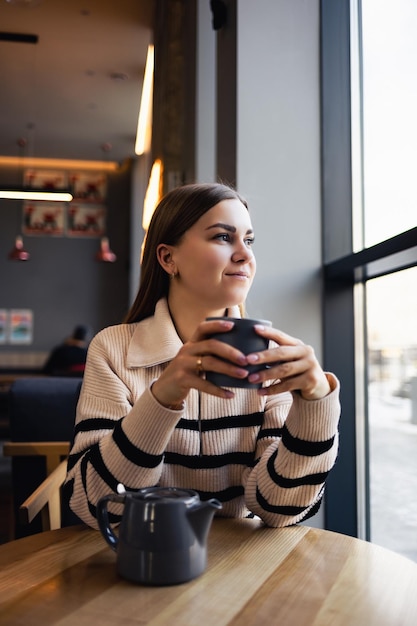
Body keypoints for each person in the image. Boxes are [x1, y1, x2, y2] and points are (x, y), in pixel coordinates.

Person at [65, 183, 340, 529]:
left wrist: (315, 404)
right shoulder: (114, 349)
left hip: (241, 567)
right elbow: (96, 505)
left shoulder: (272, 360)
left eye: (249, 240)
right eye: (224, 237)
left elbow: (279, 508)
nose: (245, 254)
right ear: (168, 258)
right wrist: (162, 397)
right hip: (140, 558)